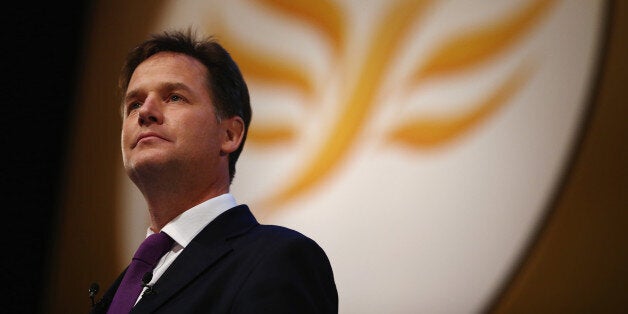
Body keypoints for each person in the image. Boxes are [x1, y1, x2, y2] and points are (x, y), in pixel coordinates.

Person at [90, 28, 338, 313]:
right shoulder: (120, 289)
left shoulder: (277, 259)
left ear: (230, 135)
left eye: (174, 97)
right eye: (134, 104)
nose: (145, 112)